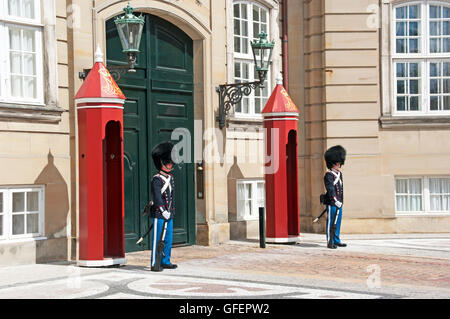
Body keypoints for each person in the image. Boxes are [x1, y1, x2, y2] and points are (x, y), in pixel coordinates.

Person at [149, 141, 177, 271]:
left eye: (170, 162)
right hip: (159, 214)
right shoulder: (157, 179)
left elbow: (172, 196)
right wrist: (162, 210)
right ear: (161, 162)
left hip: (169, 213)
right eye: (167, 162)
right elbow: (157, 197)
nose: (170, 164)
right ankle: (155, 263)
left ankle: (166, 260)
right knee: (157, 239)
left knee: (168, 239)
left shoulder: (170, 178)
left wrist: (171, 211)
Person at [323, 145, 347, 249]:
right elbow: (330, 189)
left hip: (339, 202)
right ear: (332, 163)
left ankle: (336, 240)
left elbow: (341, 189)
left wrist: (341, 201)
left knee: (337, 222)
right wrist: (335, 200)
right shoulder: (329, 175)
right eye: (337, 163)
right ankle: (330, 241)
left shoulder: (339, 174)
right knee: (331, 222)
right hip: (332, 202)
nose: (339, 165)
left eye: (340, 163)